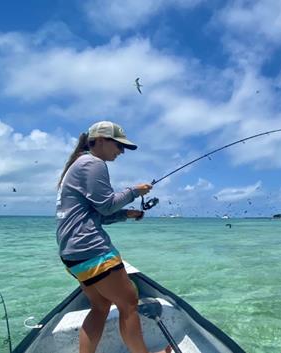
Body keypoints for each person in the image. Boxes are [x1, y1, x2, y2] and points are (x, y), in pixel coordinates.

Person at [56, 121, 168, 353]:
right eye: (118, 145)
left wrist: (127, 214)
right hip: (91, 248)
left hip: (72, 251)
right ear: (100, 140)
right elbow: (107, 206)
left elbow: (101, 214)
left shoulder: (79, 164)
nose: (121, 151)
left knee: (101, 306)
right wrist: (135, 191)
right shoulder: (92, 163)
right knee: (128, 304)